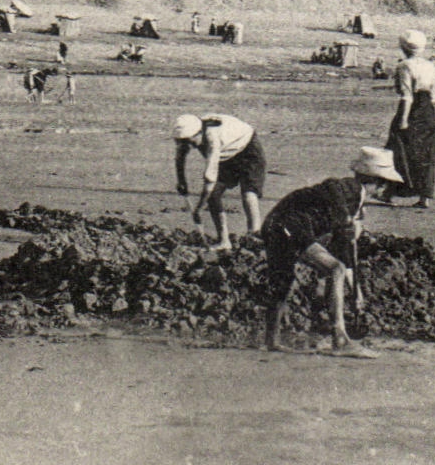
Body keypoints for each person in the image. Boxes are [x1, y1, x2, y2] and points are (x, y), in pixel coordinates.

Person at [260, 147, 404, 357]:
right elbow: (331, 186)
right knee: (335, 269)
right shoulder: (351, 189)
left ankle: (271, 340)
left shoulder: (353, 199)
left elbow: (344, 249)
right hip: (290, 225)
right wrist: (346, 218)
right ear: (377, 182)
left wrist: (355, 290)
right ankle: (340, 339)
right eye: (385, 184)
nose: (385, 190)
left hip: (273, 224)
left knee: (284, 281)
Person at [173, 113, 266, 251]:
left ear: (199, 133)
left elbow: (209, 180)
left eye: (191, 142)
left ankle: (254, 235)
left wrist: (198, 209)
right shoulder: (189, 135)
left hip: (247, 147)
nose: (189, 146)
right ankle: (224, 241)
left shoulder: (212, 139)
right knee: (213, 196)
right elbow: (180, 157)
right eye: (184, 142)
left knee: (249, 193)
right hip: (225, 155)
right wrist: (181, 181)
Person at [382, 29, 435, 208]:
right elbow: (434, 94)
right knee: (427, 153)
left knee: (397, 148)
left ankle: (390, 193)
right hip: (428, 111)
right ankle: (424, 197)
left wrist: (403, 120)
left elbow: (407, 96)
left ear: (404, 47)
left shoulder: (404, 66)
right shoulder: (430, 66)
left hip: (412, 110)